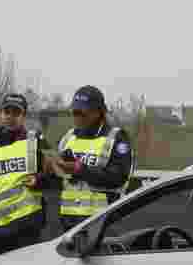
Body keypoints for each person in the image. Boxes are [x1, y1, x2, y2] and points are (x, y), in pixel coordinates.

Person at [0, 93, 58, 258]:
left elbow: (59, 175)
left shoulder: (37, 141)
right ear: (0, 114)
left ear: (24, 117)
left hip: (26, 227)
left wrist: (39, 180)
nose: (11, 117)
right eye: (7, 112)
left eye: (16, 113)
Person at [50, 86, 135, 231]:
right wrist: (47, 173)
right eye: (74, 111)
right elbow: (60, 180)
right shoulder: (68, 137)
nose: (77, 116)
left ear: (98, 112)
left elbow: (118, 178)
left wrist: (79, 169)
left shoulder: (116, 138)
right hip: (69, 222)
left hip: (102, 224)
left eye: (82, 112)